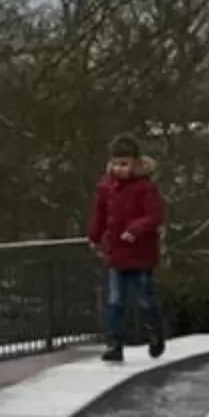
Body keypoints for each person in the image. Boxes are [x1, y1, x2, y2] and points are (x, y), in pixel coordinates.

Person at [90, 139, 166, 363]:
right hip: (116, 253)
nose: (119, 169)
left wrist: (135, 230)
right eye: (115, 164)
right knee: (115, 301)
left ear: (135, 164)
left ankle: (154, 333)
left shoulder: (145, 188)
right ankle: (114, 344)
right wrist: (94, 236)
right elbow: (101, 215)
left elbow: (154, 216)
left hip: (140, 253)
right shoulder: (106, 188)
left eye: (124, 164)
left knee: (144, 298)